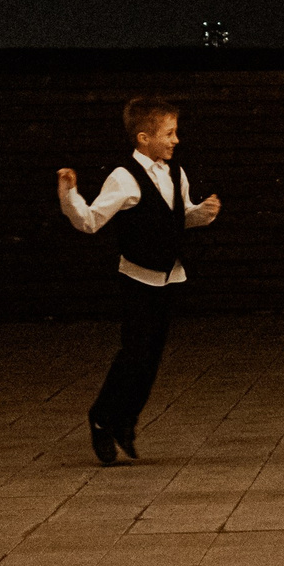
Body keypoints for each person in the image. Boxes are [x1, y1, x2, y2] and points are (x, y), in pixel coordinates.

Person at [56, 95, 223, 466]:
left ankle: (125, 420)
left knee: (151, 359)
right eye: (170, 133)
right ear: (144, 138)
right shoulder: (123, 177)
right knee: (133, 355)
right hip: (137, 278)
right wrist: (69, 195)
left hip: (169, 277)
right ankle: (102, 418)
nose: (176, 139)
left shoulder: (175, 173)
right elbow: (90, 221)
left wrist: (202, 213)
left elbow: (177, 217)